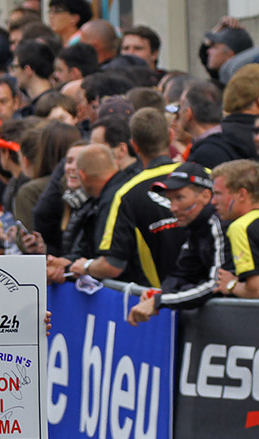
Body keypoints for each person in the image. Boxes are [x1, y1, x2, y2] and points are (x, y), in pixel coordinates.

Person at [73, 109, 186, 288]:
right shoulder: (203, 176)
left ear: (134, 145)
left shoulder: (126, 194)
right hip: (212, 294)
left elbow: (112, 265)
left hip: (163, 300)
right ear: (171, 136)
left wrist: (85, 266)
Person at [128, 162, 229, 325]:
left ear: (205, 196)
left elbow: (215, 285)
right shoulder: (196, 227)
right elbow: (183, 273)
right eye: (169, 199)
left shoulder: (219, 224)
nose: (172, 208)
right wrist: (160, 293)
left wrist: (159, 300)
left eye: (180, 198)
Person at [210, 159, 259, 299]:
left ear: (242, 194)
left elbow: (256, 291)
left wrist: (231, 285)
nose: (213, 201)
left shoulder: (241, 227)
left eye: (218, 193)